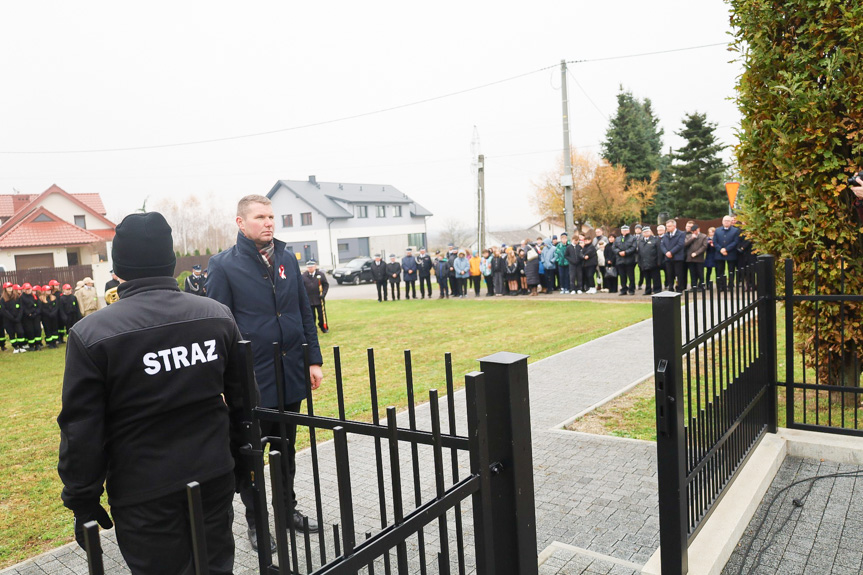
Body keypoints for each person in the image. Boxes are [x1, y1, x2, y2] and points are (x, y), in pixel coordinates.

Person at [57, 212, 244, 574]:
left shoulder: (93, 333)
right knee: (216, 566)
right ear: (171, 261)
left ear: (118, 267)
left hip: (145, 489)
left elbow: (82, 429)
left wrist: (82, 499)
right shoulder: (216, 315)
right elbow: (242, 402)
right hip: (212, 473)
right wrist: (239, 458)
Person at [206, 195, 323, 550]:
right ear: (241, 223)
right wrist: (224, 381)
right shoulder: (223, 265)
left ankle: (288, 511)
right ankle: (257, 523)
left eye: (272, 216)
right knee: (252, 457)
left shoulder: (287, 257)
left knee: (286, 451)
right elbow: (218, 326)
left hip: (290, 374)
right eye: (260, 217)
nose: (269, 222)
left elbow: (304, 313)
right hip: (252, 380)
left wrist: (313, 360)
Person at [302, 260, 329, 333]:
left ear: (315, 266)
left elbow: (326, 285)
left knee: (321, 315)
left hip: (319, 298)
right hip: (309, 299)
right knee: (311, 316)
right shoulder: (304, 276)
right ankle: (313, 329)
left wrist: (323, 294)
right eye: (308, 267)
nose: (310, 268)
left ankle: (323, 327)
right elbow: (301, 287)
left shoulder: (320, 275)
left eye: (311, 267)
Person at [713, 215, 740, 288]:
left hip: (731, 253)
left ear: (731, 222)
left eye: (728, 221)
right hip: (719, 253)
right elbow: (715, 241)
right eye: (725, 221)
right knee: (720, 270)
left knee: (731, 270)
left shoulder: (735, 230)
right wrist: (721, 249)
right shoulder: (717, 230)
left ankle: (730, 285)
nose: (726, 222)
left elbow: (735, 241)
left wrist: (726, 249)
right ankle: (721, 285)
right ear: (722, 222)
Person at [660, 220, 686, 292]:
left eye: (669, 226)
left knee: (679, 274)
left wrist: (671, 252)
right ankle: (670, 287)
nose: (667, 228)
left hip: (677, 257)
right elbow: (662, 245)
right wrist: (666, 253)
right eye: (667, 226)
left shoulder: (681, 234)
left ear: (674, 226)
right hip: (668, 258)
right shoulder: (665, 235)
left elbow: (680, 244)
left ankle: (679, 288)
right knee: (669, 274)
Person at [637, 228, 662, 295]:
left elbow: (659, 252)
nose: (646, 233)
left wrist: (659, 261)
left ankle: (657, 289)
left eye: (647, 231)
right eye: (644, 232)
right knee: (647, 278)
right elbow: (639, 253)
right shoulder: (641, 241)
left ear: (650, 232)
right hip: (644, 263)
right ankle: (648, 290)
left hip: (654, 262)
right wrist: (639, 262)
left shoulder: (655, 240)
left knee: (656, 277)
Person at [615, 225, 637, 296]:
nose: (624, 231)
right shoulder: (618, 238)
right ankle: (623, 289)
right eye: (623, 230)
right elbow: (614, 247)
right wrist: (619, 252)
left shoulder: (633, 238)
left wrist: (626, 252)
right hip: (620, 260)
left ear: (628, 230)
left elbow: (633, 247)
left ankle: (631, 289)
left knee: (631, 276)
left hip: (629, 260)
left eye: (626, 230)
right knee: (622, 276)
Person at [20, 283, 42, 350]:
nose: (28, 290)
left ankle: (38, 344)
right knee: (30, 331)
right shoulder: (21, 297)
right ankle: (31, 345)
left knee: (37, 329)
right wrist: (29, 314)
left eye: (29, 289)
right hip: (27, 318)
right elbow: (22, 307)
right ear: (23, 290)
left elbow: (39, 305)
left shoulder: (34, 296)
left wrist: (36, 313)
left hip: (36, 316)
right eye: (27, 289)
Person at [1, 282, 20, 352]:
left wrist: (17, 316)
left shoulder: (16, 296)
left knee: (19, 331)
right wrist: (11, 317)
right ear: (5, 289)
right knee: (11, 334)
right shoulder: (2, 299)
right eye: (8, 287)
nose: (10, 288)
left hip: (16, 318)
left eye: (11, 287)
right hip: (7, 320)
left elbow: (20, 307)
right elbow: (4, 310)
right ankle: (15, 346)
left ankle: (20, 345)